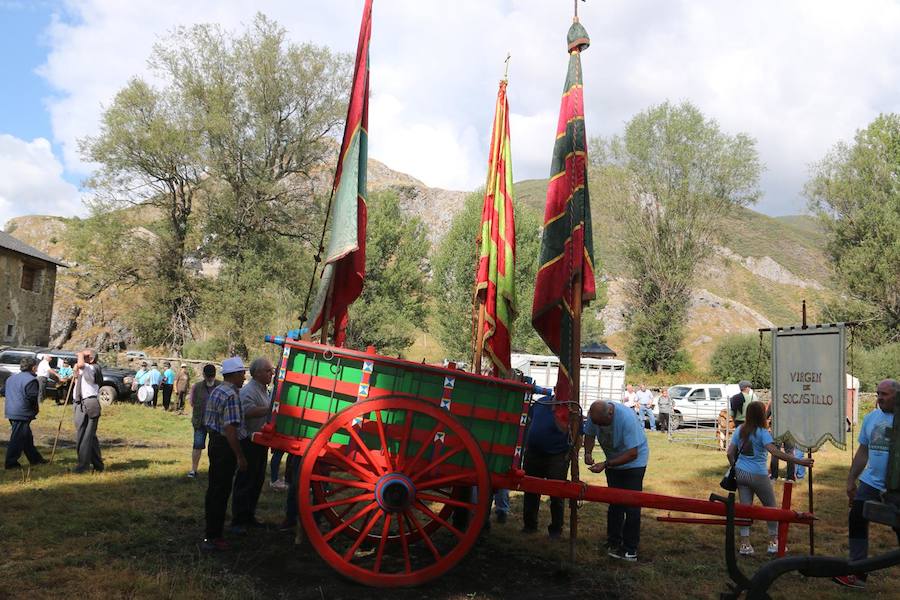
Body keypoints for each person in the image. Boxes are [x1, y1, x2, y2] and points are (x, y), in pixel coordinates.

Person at [833, 379, 900, 589]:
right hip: (870, 482)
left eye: (885, 394)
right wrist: (852, 478)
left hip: (896, 486)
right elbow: (863, 451)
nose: (879, 398)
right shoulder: (871, 418)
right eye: (878, 393)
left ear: (897, 396)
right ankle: (858, 573)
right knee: (857, 518)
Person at [726, 401, 812, 556]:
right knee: (771, 508)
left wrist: (736, 467)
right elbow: (776, 452)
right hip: (759, 474)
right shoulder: (763, 432)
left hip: (741, 474)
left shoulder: (739, 429)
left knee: (745, 509)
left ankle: (745, 545)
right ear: (761, 415)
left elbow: (729, 453)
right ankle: (773, 542)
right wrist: (800, 461)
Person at [584, 400, 650, 562]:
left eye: (602, 423)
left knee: (632, 506)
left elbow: (632, 453)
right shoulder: (596, 416)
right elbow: (590, 435)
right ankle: (613, 541)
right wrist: (587, 452)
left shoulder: (627, 418)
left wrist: (606, 464)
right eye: (596, 423)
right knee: (614, 503)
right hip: (613, 461)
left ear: (610, 414)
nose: (599, 426)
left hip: (634, 463)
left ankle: (630, 550)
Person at [201, 356, 248, 551]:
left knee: (214, 488)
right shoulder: (231, 395)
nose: (244, 377)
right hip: (224, 445)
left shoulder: (218, 390)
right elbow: (230, 429)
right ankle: (214, 536)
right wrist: (240, 456)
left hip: (214, 442)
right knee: (221, 490)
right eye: (242, 373)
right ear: (235, 374)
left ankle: (211, 530)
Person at [231, 357, 275, 532]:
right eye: (268, 371)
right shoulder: (249, 391)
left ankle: (249, 515)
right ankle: (238, 520)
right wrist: (270, 409)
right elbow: (247, 412)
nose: (271, 374)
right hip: (249, 441)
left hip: (260, 441)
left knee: (257, 479)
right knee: (246, 480)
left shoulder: (263, 389)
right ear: (257, 373)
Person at [521, 395, 571, 538]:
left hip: (556, 457)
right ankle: (529, 525)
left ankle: (555, 529)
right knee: (530, 490)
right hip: (533, 453)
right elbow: (528, 419)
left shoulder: (571, 409)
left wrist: (570, 455)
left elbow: (577, 434)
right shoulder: (541, 402)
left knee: (556, 494)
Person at [4, 357, 48, 469]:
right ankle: (11, 463)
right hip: (22, 413)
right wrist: (34, 410)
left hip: (11, 411)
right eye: (36, 367)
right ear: (33, 368)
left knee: (26, 437)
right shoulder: (31, 380)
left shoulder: (11, 378)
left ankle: (36, 459)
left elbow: (3, 391)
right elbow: (32, 398)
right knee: (17, 438)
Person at [73, 348, 104, 473]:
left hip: (89, 404)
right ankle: (98, 465)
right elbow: (79, 371)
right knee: (89, 436)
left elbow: (80, 364)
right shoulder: (86, 369)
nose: (81, 357)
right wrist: (76, 373)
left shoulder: (92, 368)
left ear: (90, 358)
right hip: (81, 403)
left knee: (84, 436)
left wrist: (80, 355)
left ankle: (83, 466)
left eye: (84, 356)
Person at [188, 364, 220, 478]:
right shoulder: (196, 387)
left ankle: (215, 470)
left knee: (215, 448)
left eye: (212, 376)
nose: (210, 378)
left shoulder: (220, 386)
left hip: (216, 424)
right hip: (200, 422)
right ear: (204, 375)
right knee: (197, 446)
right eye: (208, 376)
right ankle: (193, 470)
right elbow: (191, 402)